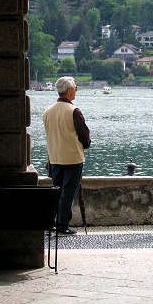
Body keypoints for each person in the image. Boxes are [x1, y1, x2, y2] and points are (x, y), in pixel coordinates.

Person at [43, 76, 91, 235]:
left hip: (55, 157)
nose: (76, 91)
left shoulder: (48, 112)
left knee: (56, 191)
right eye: (76, 88)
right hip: (73, 158)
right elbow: (84, 136)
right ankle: (63, 224)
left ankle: (52, 222)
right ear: (69, 91)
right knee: (68, 192)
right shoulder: (74, 111)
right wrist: (86, 144)